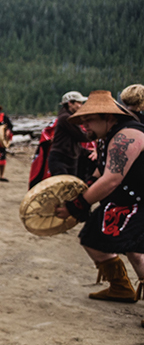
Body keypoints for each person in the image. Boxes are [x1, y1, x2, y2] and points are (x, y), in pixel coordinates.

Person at [55, 90, 144, 304]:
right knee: (92, 238)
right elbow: (100, 172)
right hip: (123, 202)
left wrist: (76, 205)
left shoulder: (127, 135)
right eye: (82, 120)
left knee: (137, 251)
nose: (84, 125)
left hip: (139, 202)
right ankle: (120, 287)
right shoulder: (107, 136)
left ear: (109, 117)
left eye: (89, 119)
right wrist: (82, 188)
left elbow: (111, 179)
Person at [47, 91, 89, 180]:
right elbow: (81, 136)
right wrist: (97, 134)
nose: (81, 106)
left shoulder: (67, 117)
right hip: (61, 158)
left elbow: (73, 141)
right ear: (70, 103)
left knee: (68, 188)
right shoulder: (66, 118)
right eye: (79, 103)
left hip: (69, 158)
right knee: (64, 186)